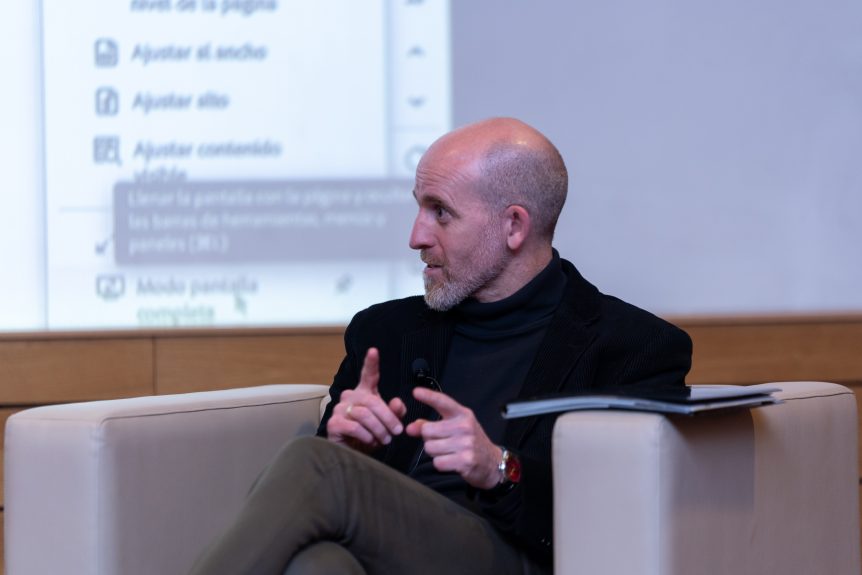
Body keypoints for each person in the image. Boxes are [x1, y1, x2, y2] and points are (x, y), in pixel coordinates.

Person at [188, 118, 692, 575]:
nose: (416, 236)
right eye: (418, 207)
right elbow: (313, 500)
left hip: (519, 555)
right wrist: (346, 449)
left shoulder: (633, 347)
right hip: (389, 555)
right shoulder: (383, 331)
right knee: (318, 564)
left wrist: (499, 468)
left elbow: (624, 512)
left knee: (313, 464)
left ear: (514, 226)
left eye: (440, 212)